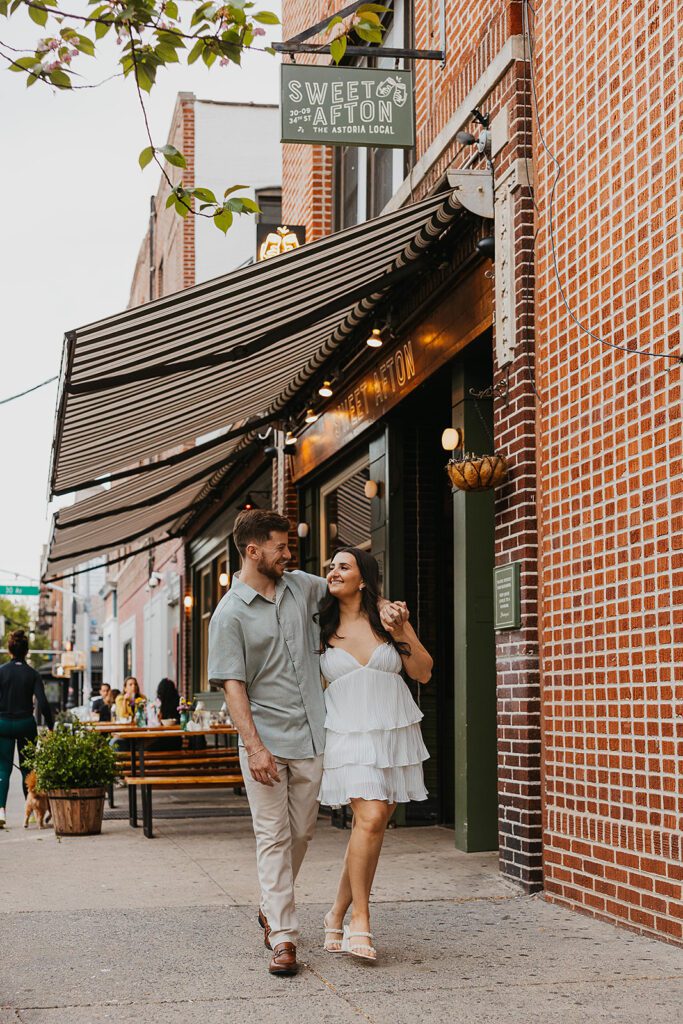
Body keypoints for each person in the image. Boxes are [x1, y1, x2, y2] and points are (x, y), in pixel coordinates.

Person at [208, 509, 404, 977]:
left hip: (315, 736)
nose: (289, 553)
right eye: (281, 546)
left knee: (301, 833)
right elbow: (232, 685)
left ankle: (270, 905)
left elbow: (350, 590)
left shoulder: (301, 586)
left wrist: (386, 610)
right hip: (265, 743)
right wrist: (253, 746)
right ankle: (284, 936)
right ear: (254, 551)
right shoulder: (229, 614)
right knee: (273, 836)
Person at [318, 548, 432, 962]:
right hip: (346, 731)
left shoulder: (388, 622)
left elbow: (422, 671)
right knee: (367, 818)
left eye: (343, 566)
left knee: (374, 822)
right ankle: (360, 920)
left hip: (391, 730)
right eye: (330, 566)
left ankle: (335, 911)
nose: (333, 571)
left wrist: (401, 629)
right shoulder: (319, 626)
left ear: (363, 579)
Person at [0, 629, 54, 828]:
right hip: (25, 724)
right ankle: (31, 813)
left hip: (3, 724)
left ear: (10, 649)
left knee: (2, 769)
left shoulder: (1, 671)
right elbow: (43, 702)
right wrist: (51, 726)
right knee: (27, 769)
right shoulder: (33, 674)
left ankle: (1, 813)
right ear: (26, 650)